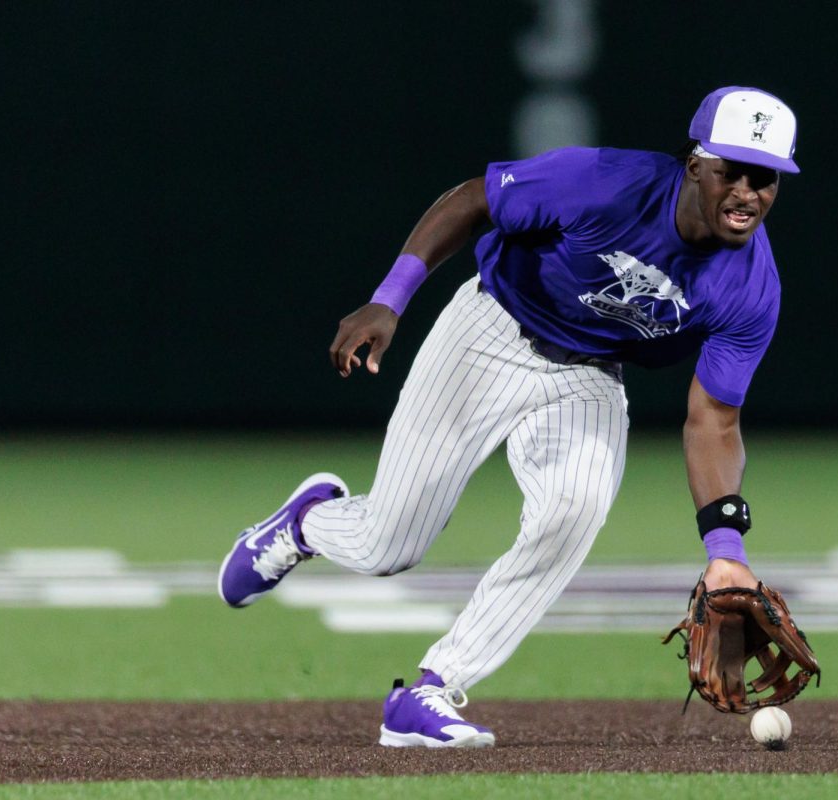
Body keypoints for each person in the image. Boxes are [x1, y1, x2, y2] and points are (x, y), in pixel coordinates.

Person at [217, 86, 800, 748]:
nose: (749, 192)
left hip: (588, 376)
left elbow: (713, 420)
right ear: (695, 165)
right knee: (388, 545)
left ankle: (431, 689)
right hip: (491, 327)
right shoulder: (607, 181)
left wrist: (726, 552)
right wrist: (390, 299)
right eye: (734, 171)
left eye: (767, 178)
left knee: (574, 509)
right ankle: (305, 523)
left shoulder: (753, 287)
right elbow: (473, 200)